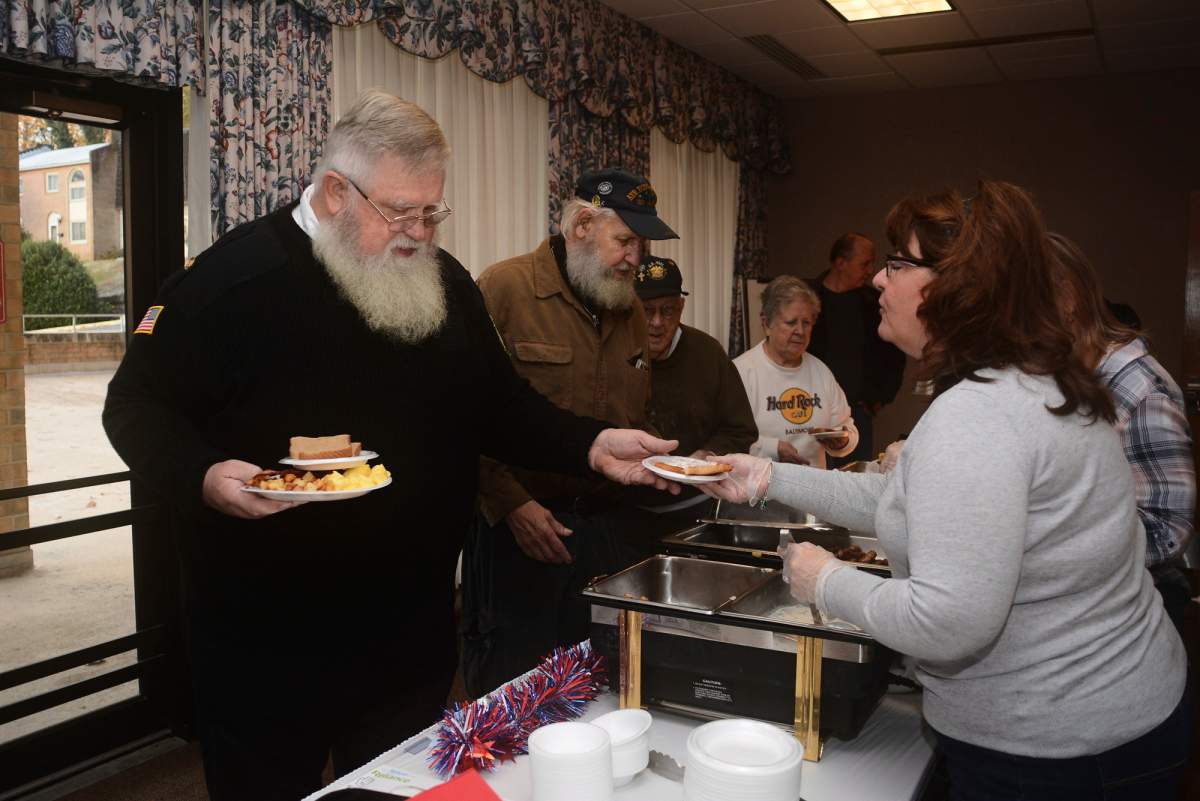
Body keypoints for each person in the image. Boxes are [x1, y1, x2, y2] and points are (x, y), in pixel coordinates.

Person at [102, 92, 678, 801]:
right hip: (264, 644)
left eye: (432, 212)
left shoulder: (447, 284)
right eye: (402, 213)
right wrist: (203, 474)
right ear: (337, 192)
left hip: (407, 636)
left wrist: (593, 444)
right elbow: (133, 405)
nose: (420, 232)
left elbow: (501, 408)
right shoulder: (231, 281)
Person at [699, 180, 1190, 801]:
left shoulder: (979, 415)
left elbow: (948, 622)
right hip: (1117, 715)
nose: (878, 279)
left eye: (899, 264)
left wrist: (822, 580)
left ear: (957, 289)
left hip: (1061, 749)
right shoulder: (1028, 382)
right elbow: (899, 501)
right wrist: (767, 476)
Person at [459, 168, 680, 698]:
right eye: (625, 240)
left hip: (606, 535)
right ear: (582, 225)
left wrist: (663, 463)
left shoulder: (626, 307)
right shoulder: (504, 288)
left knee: (599, 690)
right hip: (520, 532)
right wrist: (511, 504)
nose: (636, 257)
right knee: (514, 695)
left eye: (641, 244)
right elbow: (465, 411)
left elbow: (631, 412)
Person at [1048, 232, 1195, 631]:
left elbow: (1168, 528)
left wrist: (1052, 552)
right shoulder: (1070, 375)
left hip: (1140, 604)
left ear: (1067, 300)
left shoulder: (1141, 388)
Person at [634, 255, 757, 526]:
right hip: (627, 511)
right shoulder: (615, 351)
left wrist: (705, 456)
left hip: (698, 508)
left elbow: (741, 430)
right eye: (647, 310)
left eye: (667, 311)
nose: (656, 322)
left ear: (681, 307)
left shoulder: (708, 354)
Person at [733, 276, 858, 469]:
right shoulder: (741, 372)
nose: (800, 331)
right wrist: (773, 448)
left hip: (812, 491)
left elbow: (847, 428)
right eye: (791, 322)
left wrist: (843, 442)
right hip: (760, 493)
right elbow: (728, 439)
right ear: (766, 324)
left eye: (806, 323)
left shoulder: (820, 372)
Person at [805, 233, 906, 464]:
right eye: (865, 263)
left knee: (854, 476)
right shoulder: (808, 298)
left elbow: (893, 355)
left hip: (858, 413)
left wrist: (880, 398)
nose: (871, 270)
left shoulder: (873, 302)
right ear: (840, 263)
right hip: (812, 411)